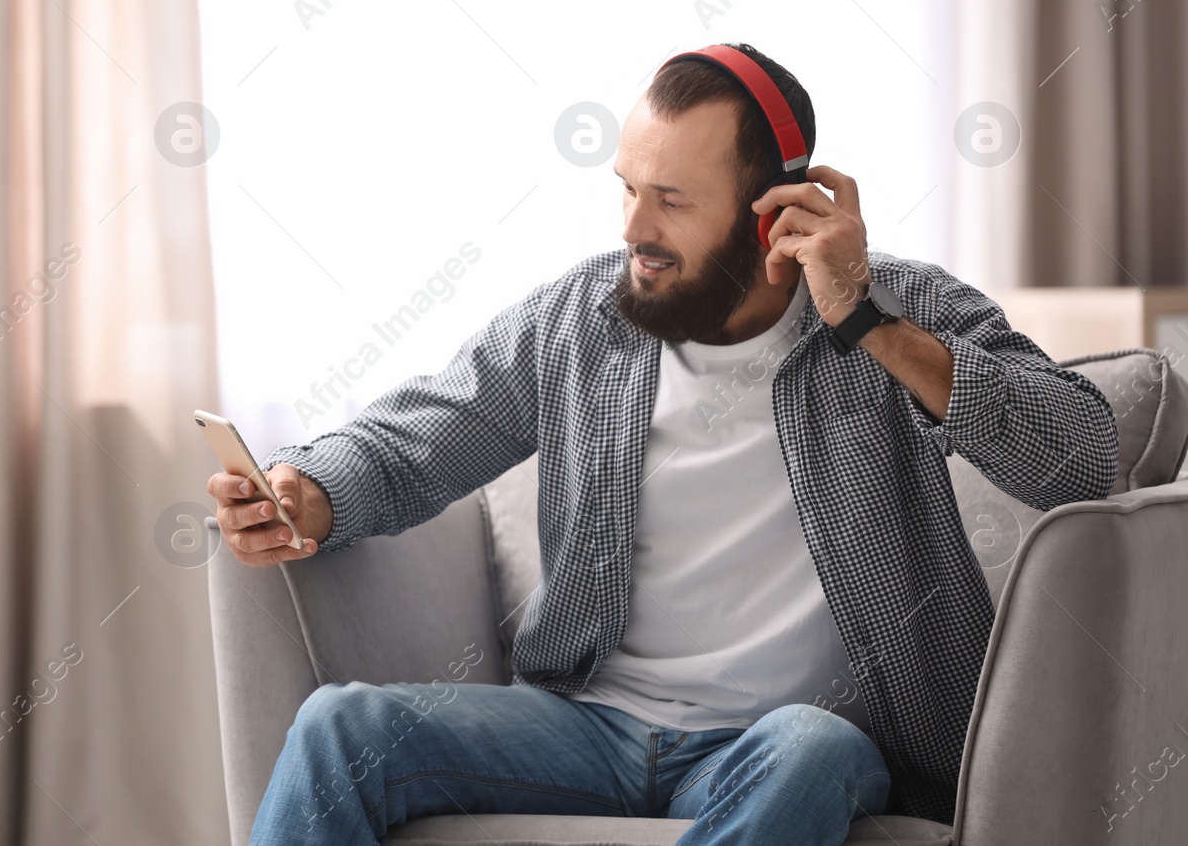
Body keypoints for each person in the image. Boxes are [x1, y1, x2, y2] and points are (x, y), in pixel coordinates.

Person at [207, 42, 1119, 845]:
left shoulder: (899, 311)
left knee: (812, 750)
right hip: (586, 726)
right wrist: (313, 490)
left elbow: (1080, 457)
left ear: (774, 216)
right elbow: (428, 429)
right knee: (340, 727)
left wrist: (866, 321)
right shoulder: (584, 317)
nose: (633, 231)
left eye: (672, 201)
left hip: (791, 738)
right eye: (628, 190)